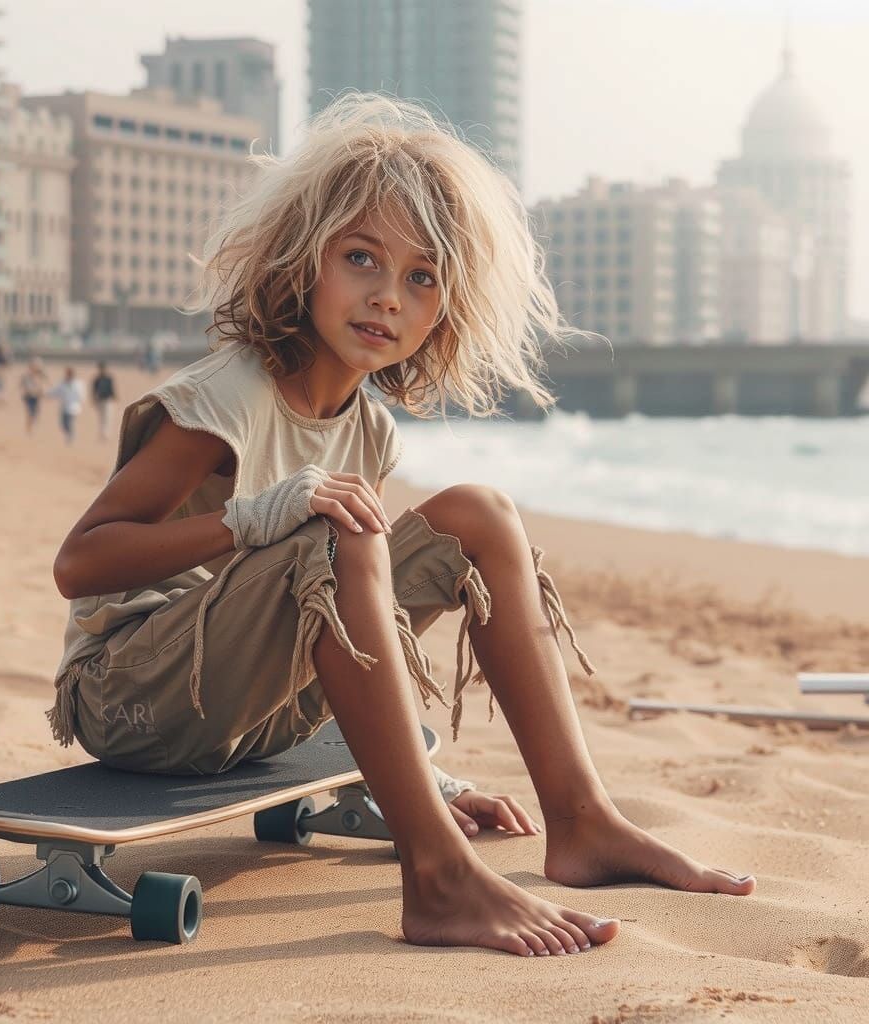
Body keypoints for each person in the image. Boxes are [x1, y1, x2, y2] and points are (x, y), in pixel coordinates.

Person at [47, 93, 755, 959]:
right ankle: (439, 876)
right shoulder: (222, 400)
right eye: (361, 259)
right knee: (336, 528)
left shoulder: (369, 426)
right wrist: (251, 519)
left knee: (478, 516)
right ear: (304, 263)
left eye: (421, 277)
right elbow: (81, 563)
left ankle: (581, 822)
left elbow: (351, 631)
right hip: (131, 700)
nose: (388, 297)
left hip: (250, 717)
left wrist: (421, 777)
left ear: (443, 311)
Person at [47, 365, 85, 445]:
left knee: (69, 423)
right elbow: (55, 392)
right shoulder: (62, 383)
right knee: (63, 425)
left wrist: (80, 401)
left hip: (74, 408)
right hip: (64, 408)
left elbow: (82, 395)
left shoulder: (78, 384)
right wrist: (47, 394)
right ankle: (70, 434)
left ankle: (71, 436)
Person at [19, 356, 48, 435]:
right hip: (28, 397)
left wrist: (43, 391)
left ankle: (31, 427)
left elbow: (46, 383)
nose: (37, 367)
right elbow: (23, 385)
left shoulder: (41, 374)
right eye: (35, 365)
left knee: (36, 414)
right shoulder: (26, 375)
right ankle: (29, 430)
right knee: (30, 413)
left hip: (36, 397)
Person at [91, 360, 117, 441]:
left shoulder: (109, 378)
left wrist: (115, 397)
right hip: (100, 400)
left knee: (108, 417)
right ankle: (102, 433)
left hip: (108, 400)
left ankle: (106, 434)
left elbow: (112, 389)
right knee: (101, 417)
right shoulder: (97, 379)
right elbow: (94, 390)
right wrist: (93, 399)